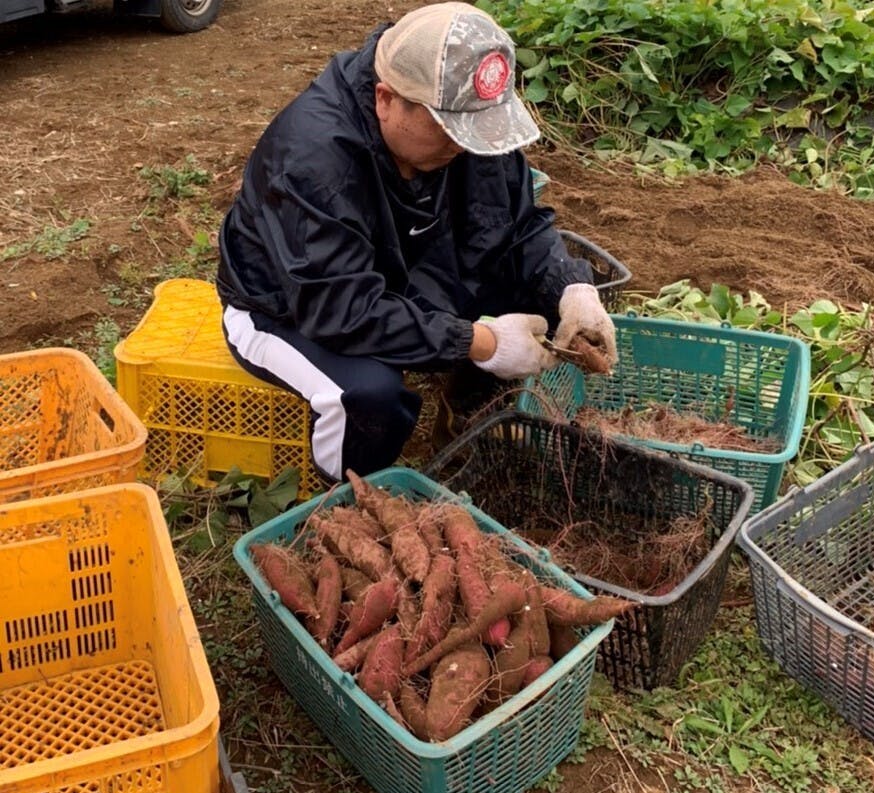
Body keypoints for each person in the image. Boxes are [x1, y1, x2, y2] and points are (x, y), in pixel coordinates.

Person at [216, 1, 617, 483]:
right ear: (386, 99)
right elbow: (339, 310)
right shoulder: (314, 159)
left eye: (478, 132)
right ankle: (343, 496)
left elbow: (515, 225)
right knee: (370, 396)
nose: (466, 146)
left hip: (399, 268)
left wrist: (571, 288)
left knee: (539, 294)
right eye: (450, 130)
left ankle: (464, 415)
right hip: (286, 306)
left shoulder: (466, 126)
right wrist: (480, 341)